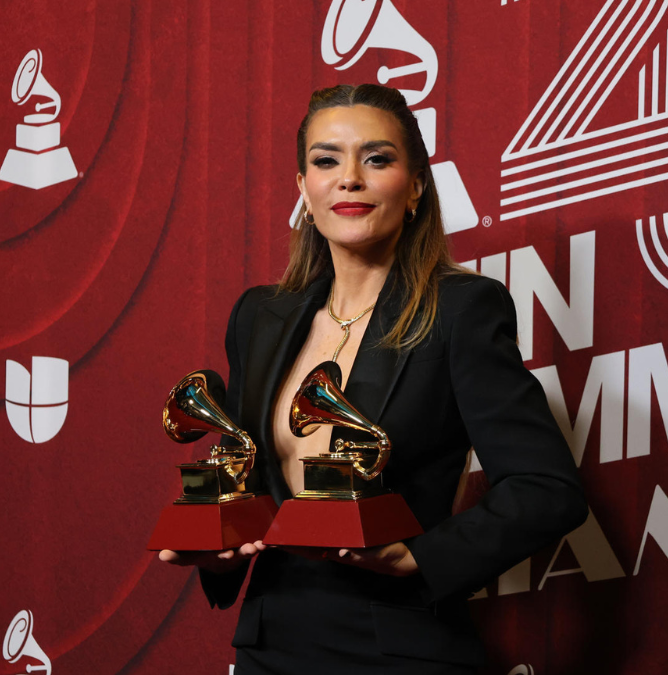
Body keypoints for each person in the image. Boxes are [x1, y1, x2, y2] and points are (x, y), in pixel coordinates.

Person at [159, 83, 588, 674]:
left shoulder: (460, 310)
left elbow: (547, 490)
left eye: (377, 158)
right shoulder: (260, 316)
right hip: (269, 644)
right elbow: (254, 490)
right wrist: (219, 553)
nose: (349, 178)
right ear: (304, 190)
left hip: (398, 646)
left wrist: (420, 557)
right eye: (326, 160)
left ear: (415, 187)